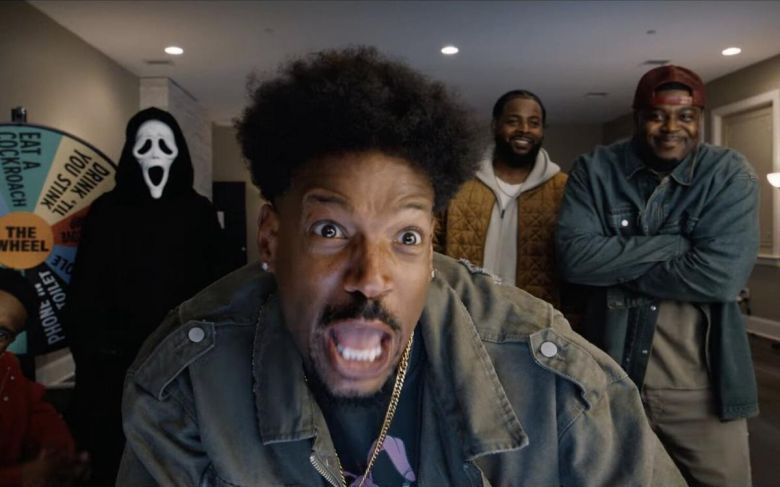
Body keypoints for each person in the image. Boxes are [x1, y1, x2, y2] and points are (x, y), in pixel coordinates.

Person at [117, 47, 685, 486]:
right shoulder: (188, 383)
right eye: (330, 231)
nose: (370, 276)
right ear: (271, 238)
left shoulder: (554, 379)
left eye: (406, 237)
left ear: (432, 247)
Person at [556, 65, 759, 486]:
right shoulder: (596, 170)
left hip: (700, 386)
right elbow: (575, 260)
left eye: (685, 116)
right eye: (657, 116)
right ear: (637, 118)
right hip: (613, 376)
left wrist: (614, 267)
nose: (671, 128)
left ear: (699, 118)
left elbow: (722, 277)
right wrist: (676, 244)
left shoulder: (727, 174)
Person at [64, 107, 229, 486]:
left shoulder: (197, 213)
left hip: (183, 363)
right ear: (131, 152)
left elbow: (217, 288)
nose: (155, 154)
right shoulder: (106, 212)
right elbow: (85, 291)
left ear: (178, 153)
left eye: (164, 145)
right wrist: (99, 352)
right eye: (145, 145)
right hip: (114, 370)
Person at [438, 90, 568, 308]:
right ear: (495, 125)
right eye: (513, 121)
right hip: (462, 311)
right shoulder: (461, 179)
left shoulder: (564, 188)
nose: (524, 129)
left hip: (532, 316)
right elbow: (432, 242)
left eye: (534, 123)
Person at [0, 267, 89, 486]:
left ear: (10, 342)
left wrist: (60, 461)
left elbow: (42, 417)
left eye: (2, 333)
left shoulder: (9, 372)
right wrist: (21, 478)